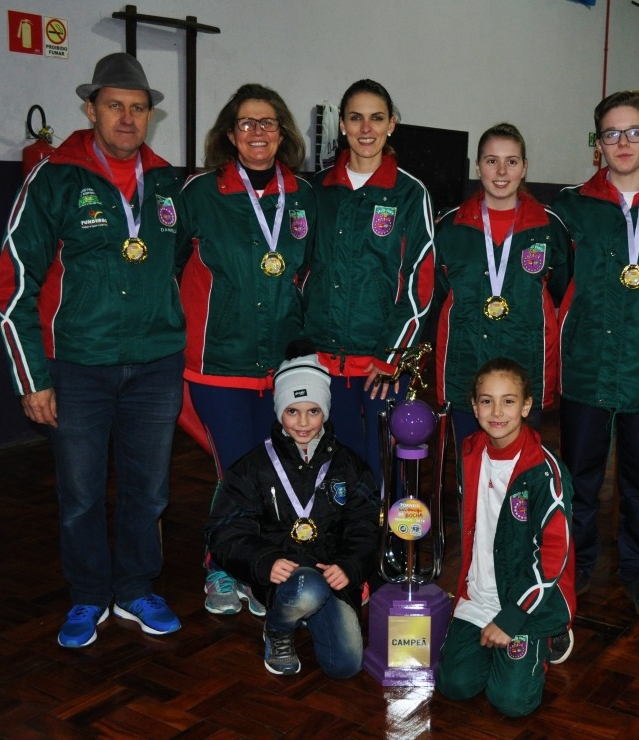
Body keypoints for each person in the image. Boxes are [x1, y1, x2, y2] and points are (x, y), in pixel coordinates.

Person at [0, 52, 185, 647]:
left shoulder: (169, 182)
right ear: (90, 109)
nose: (127, 118)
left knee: (148, 489)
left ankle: (134, 588)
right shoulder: (53, 178)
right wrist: (33, 377)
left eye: (137, 108)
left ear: (150, 115)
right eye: (114, 106)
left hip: (156, 365)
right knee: (79, 493)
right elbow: (13, 281)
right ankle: (86, 596)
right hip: (78, 366)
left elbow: (180, 266)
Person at [177, 83, 316, 617]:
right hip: (219, 364)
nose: (257, 133)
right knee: (236, 470)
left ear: (283, 132)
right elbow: (166, 272)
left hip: (283, 365)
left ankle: (260, 570)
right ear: (229, 134)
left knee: (277, 471)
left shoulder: (304, 196)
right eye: (246, 123)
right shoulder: (199, 194)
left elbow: (312, 273)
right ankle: (220, 567)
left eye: (267, 123)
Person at [552, 90, 639, 618]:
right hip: (587, 368)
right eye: (612, 133)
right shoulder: (570, 207)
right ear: (598, 144)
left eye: (634, 132)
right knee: (578, 479)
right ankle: (575, 566)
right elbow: (558, 281)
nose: (624, 142)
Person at [204, 344, 380, 678]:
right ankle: (279, 628)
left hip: (331, 577)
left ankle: (310, 612)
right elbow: (223, 530)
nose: (303, 423)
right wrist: (263, 560)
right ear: (279, 412)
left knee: (345, 666)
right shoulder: (253, 467)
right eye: (292, 411)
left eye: (313, 411)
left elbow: (366, 524)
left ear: (325, 411)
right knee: (305, 589)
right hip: (280, 577)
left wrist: (351, 565)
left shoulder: (349, 466)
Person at [300, 79, 435, 490]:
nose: (365, 128)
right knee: (329, 474)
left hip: (382, 367)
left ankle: (389, 553)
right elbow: (300, 271)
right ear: (341, 124)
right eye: (355, 118)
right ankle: (340, 553)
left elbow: (420, 283)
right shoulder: (317, 191)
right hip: (322, 363)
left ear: (392, 124)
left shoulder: (411, 194)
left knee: (384, 473)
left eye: (376, 118)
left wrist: (390, 357)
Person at [436, 358, 575, 718]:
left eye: (509, 401)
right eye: (487, 400)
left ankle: (547, 637)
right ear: (474, 405)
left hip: (527, 603)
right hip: (479, 594)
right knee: (454, 685)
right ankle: (486, 639)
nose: (497, 411)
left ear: (527, 405)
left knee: (512, 703)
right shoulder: (468, 452)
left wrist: (512, 618)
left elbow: (553, 560)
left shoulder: (545, 473)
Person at [434, 123, 571, 451]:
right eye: (491, 160)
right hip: (464, 369)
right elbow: (437, 295)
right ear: (477, 166)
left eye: (511, 161)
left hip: (525, 368)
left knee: (520, 475)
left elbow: (562, 290)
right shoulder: (450, 227)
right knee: (469, 471)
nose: (501, 171)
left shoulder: (548, 227)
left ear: (524, 167)